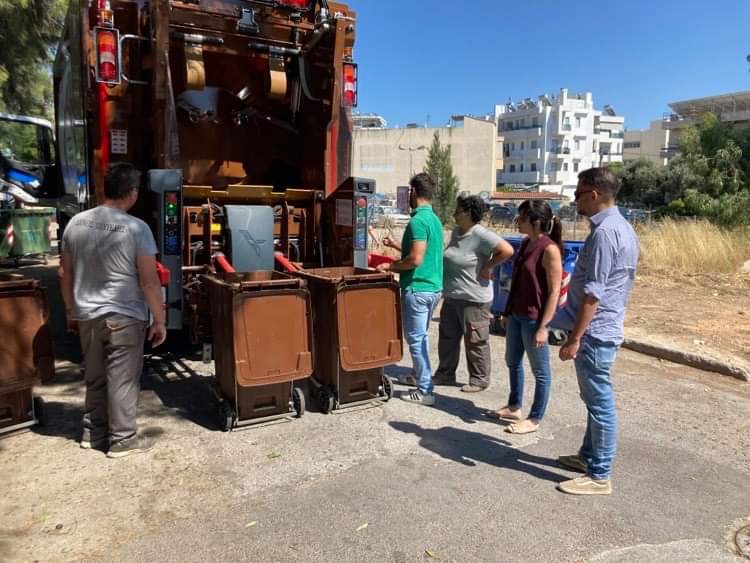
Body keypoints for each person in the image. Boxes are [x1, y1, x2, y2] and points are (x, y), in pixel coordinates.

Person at [60, 162, 167, 458]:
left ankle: (93, 433)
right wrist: (159, 319)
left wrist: (70, 310)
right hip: (125, 315)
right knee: (123, 379)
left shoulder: (76, 223)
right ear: (132, 193)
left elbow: (64, 273)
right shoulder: (137, 228)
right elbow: (148, 281)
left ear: (104, 189)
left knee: (94, 376)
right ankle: (122, 439)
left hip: (87, 314)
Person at [553, 167, 639, 495]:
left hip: (595, 333)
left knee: (600, 404)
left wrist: (574, 338)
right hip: (602, 329)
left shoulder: (605, 233)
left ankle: (599, 475)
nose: (575, 201)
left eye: (578, 194)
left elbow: (594, 293)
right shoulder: (621, 227)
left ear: (593, 194)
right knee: (593, 400)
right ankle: (587, 457)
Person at [487, 200, 563, 434]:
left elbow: (555, 291)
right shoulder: (525, 243)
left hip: (534, 319)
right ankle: (514, 406)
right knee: (512, 361)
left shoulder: (549, 249)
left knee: (541, 371)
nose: (517, 221)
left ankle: (535, 418)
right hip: (517, 314)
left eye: (521, 218)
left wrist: (544, 327)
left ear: (535, 222)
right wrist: (507, 311)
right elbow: (517, 282)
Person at [433, 195, 513, 392]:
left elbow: (507, 250)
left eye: (458, 211)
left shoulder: (480, 234)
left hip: (474, 299)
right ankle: (445, 374)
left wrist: (488, 266)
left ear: (468, 214)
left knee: (475, 340)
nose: (454, 214)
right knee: (448, 338)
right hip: (453, 296)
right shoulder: (457, 232)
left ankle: (479, 379)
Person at [377, 173, 443, 406]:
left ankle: (425, 391)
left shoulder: (418, 222)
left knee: (416, 340)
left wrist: (390, 266)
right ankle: (417, 375)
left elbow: (415, 259)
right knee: (421, 337)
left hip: (417, 289)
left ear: (414, 192)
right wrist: (397, 245)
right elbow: (423, 251)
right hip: (433, 289)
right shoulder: (433, 219)